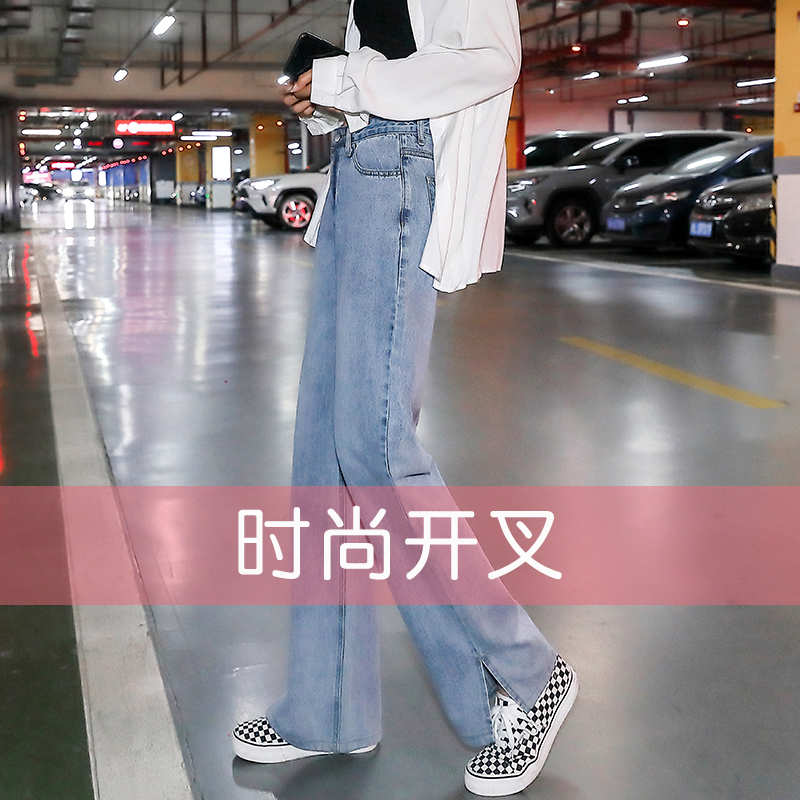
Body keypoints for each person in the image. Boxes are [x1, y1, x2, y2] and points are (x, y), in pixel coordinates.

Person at [231, 0, 578, 794]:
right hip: (358, 174)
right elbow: (392, 65)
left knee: (375, 446)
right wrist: (331, 98)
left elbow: (490, 59)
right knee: (324, 455)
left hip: (400, 175)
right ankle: (329, 707)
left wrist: (349, 81)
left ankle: (524, 675)